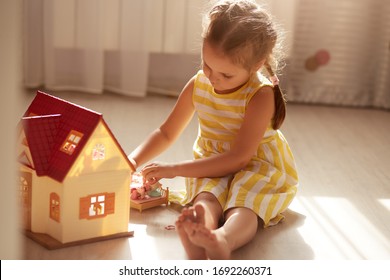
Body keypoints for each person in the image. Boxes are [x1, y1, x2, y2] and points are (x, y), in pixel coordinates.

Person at [128, 0, 298, 260]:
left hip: (256, 164)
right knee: (206, 197)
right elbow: (166, 132)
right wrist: (132, 160)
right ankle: (200, 231)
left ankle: (224, 239)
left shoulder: (260, 94)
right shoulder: (199, 83)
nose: (212, 77)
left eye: (226, 75)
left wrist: (173, 170)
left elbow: (239, 158)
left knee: (244, 204)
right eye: (206, 64)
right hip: (212, 161)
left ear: (256, 65)